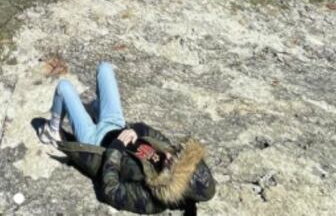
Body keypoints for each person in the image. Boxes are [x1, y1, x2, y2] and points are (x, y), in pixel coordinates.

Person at [38, 61, 215, 213]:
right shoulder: (170, 154)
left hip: (95, 142)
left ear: (177, 183)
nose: (168, 155)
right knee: (105, 68)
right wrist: (135, 131)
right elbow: (151, 132)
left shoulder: (151, 199)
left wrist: (117, 147)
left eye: (172, 163)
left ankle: (52, 131)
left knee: (64, 88)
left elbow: (111, 191)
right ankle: (98, 111)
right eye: (176, 154)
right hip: (115, 124)